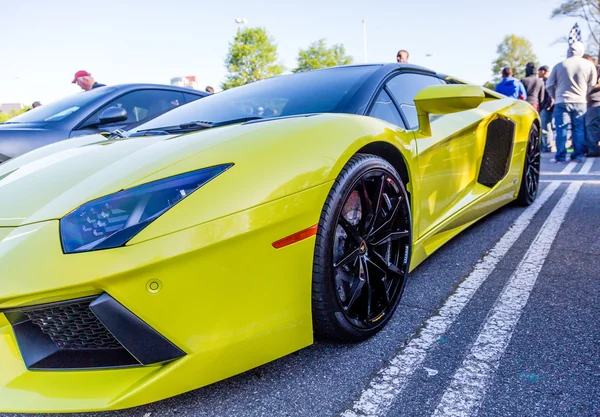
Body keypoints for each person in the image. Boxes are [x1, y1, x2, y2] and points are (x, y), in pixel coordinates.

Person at [546, 41, 597, 163]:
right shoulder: (588, 65)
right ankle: (577, 155)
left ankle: (560, 156)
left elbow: (549, 84)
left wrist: (555, 95)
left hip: (562, 101)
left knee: (561, 129)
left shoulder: (559, 65)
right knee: (578, 129)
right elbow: (592, 83)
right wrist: (585, 92)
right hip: (580, 101)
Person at [538, 65, 555, 152]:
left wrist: (547, 107)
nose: (538, 73)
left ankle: (547, 146)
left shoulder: (548, 81)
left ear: (543, 71)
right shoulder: (545, 81)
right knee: (547, 127)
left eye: (539, 71)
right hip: (547, 107)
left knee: (545, 128)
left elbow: (551, 95)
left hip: (547, 108)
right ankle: (546, 146)